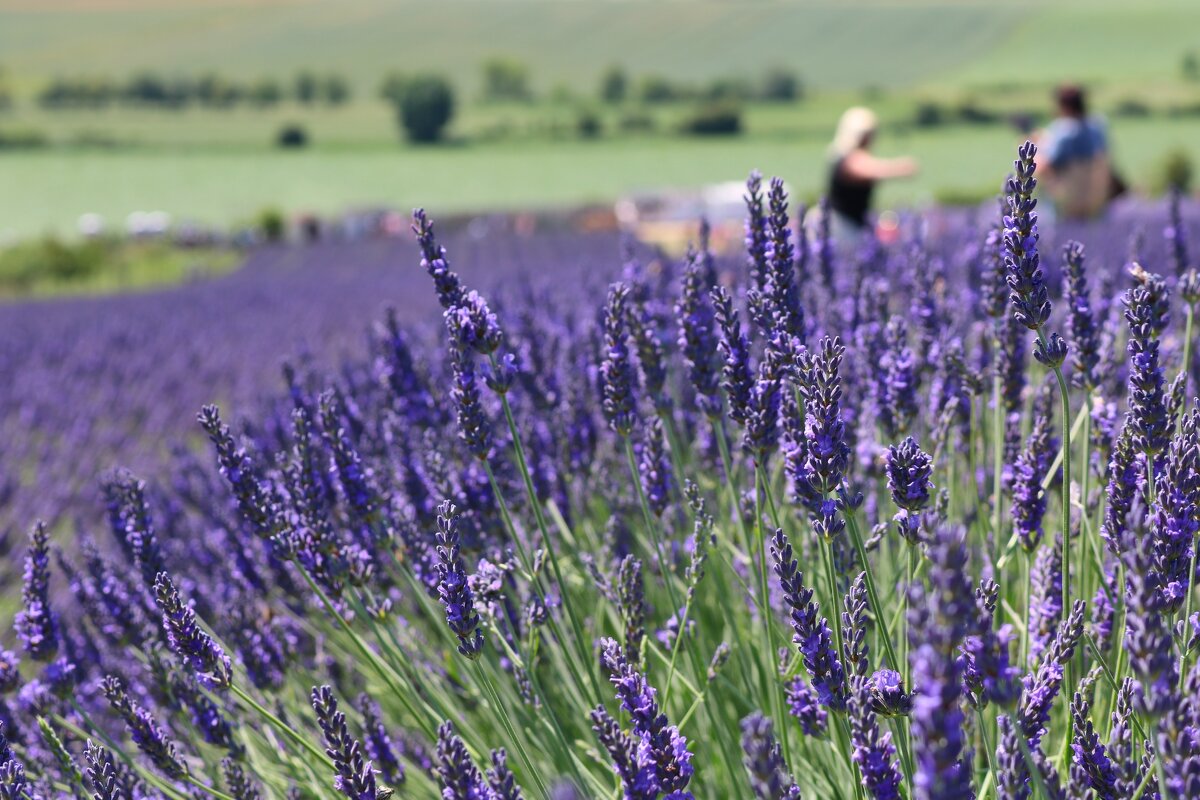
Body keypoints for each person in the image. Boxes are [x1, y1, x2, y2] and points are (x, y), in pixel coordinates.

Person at [826, 107, 918, 236]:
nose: (871, 139)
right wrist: (899, 167)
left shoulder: (847, 156)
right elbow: (867, 169)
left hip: (855, 226)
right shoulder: (848, 159)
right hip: (842, 227)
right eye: (867, 135)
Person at [1035, 85, 1114, 220]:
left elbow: (1045, 165)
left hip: (1067, 204)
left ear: (1064, 106)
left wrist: (1033, 151)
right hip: (1096, 202)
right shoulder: (1097, 126)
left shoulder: (1065, 130)